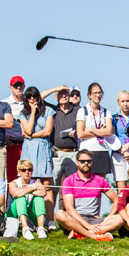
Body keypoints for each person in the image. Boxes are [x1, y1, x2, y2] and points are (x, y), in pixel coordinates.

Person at [54, 150, 124, 241]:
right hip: (76, 220)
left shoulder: (99, 180)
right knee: (60, 214)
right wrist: (88, 226)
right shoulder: (69, 181)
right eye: (83, 161)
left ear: (92, 163)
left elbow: (116, 199)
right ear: (77, 163)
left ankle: (81, 234)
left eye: (89, 161)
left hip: (94, 219)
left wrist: (108, 218)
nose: (86, 163)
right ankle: (93, 235)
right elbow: (69, 209)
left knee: (120, 218)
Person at [19, 86, 55, 223]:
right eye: (29, 97)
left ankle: (50, 220)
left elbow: (47, 131)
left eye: (34, 96)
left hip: (43, 148)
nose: (32, 99)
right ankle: (31, 219)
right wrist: (33, 113)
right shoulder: (23, 114)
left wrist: (32, 135)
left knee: (47, 185)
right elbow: (26, 129)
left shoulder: (48, 111)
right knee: (28, 184)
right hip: (29, 149)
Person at [48, 86, 79, 227]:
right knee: (53, 186)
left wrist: (76, 132)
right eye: (61, 94)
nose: (64, 96)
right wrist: (55, 88)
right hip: (57, 152)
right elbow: (37, 98)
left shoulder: (78, 110)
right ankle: (50, 220)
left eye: (66, 93)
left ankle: (66, 220)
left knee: (70, 188)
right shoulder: (52, 110)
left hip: (73, 152)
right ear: (56, 97)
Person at [75, 83, 114, 178]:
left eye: (100, 93)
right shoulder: (82, 111)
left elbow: (108, 132)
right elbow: (80, 134)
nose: (98, 95)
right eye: (95, 93)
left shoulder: (106, 112)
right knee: (86, 182)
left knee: (100, 183)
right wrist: (100, 132)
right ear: (89, 95)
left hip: (102, 151)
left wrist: (91, 130)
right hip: (87, 151)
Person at [7, 159, 48, 240]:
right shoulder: (13, 183)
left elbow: (43, 192)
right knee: (20, 198)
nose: (27, 172)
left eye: (29, 170)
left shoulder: (36, 182)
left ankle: (41, 228)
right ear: (19, 171)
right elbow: (15, 194)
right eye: (23, 170)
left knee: (39, 198)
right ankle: (25, 228)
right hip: (13, 214)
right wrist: (32, 188)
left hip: (30, 214)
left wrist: (26, 191)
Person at [112, 90, 129, 189]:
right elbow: (112, 138)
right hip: (120, 154)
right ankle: (123, 205)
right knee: (122, 188)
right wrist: (122, 150)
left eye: (127, 101)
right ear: (118, 102)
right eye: (122, 101)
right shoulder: (114, 118)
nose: (125, 104)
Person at [3, 75, 26, 182]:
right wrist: (3, 137)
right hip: (11, 145)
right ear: (10, 88)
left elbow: (40, 97)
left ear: (24, 86)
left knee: (27, 176)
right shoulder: (4, 103)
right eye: (15, 86)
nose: (18, 88)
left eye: (20, 85)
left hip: (26, 144)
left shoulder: (29, 102)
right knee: (11, 177)